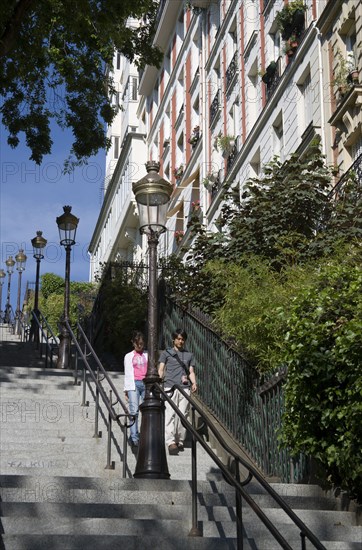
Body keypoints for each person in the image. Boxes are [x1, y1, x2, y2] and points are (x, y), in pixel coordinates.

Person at [158, 328, 197, 455]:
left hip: (184, 387)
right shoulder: (166, 353)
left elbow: (191, 371)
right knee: (170, 414)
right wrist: (159, 380)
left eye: (183, 339)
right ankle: (170, 442)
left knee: (183, 415)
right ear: (174, 339)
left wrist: (194, 383)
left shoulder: (189, 355)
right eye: (178, 339)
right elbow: (161, 368)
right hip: (170, 386)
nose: (181, 341)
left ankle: (179, 440)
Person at [124, 331, 148, 448]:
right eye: (137, 343)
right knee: (134, 411)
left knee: (146, 411)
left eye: (142, 344)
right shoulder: (128, 356)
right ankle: (134, 437)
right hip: (133, 384)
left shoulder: (147, 355)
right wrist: (126, 390)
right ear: (133, 343)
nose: (140, 346)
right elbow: (127, 373)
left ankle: (142, 435)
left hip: (145, 384)